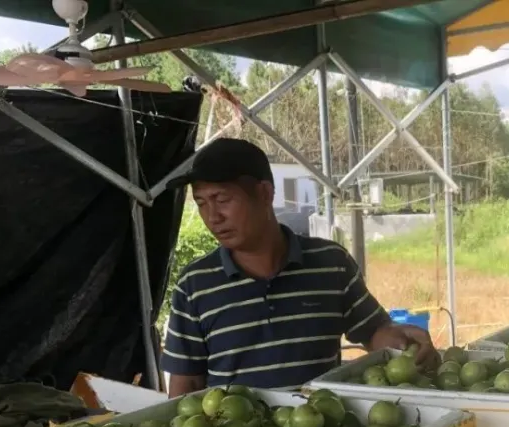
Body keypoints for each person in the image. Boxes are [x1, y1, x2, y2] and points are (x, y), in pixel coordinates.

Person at [161, 138, 438, 397]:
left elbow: (374, 331)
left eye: (222, 200)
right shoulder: (195, 285)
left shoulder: (331, 264)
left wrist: (403, 341)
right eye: (201, 203)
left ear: (264, 193)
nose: (212, 217)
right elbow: (186, 386)